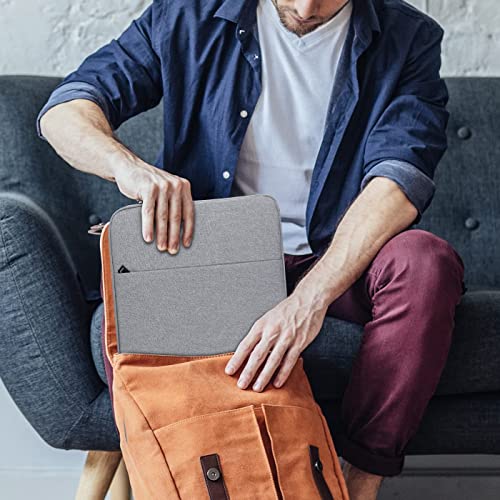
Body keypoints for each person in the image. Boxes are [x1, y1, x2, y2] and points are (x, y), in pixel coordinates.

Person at [37, 0, 466, 498]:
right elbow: (65, 111)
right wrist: (128, 168)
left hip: (338, 260)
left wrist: (309, 301)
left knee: (426, 263)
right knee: (138, 308)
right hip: (213, 256)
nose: (305, 7)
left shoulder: (409, 38)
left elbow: (399, 180)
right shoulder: (190, 14)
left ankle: (356, 484)